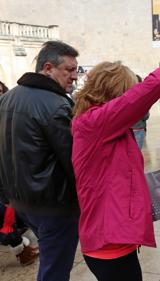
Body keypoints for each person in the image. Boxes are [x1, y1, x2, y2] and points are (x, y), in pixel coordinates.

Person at [71, 57, 160, 281]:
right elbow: (143, 94)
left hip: (116, 239)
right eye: (126, 92)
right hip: (107, 244)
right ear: (115, 92)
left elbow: (124, 180)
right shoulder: (94, 123)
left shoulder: (108, 128)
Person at [0, 41, 80, 281]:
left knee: (50, 262)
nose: (75, 77)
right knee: (55, 269)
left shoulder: (7, 98)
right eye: (69, 70)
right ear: (48, 68)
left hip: (21, 202)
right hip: (53, 205)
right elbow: (74, 161)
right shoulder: (56, 105)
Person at [132, 75, 150, 150]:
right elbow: (145, 116)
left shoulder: (125, 95)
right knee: (137, 153)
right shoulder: (142, 98)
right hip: (138, 129)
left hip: (127, 130)